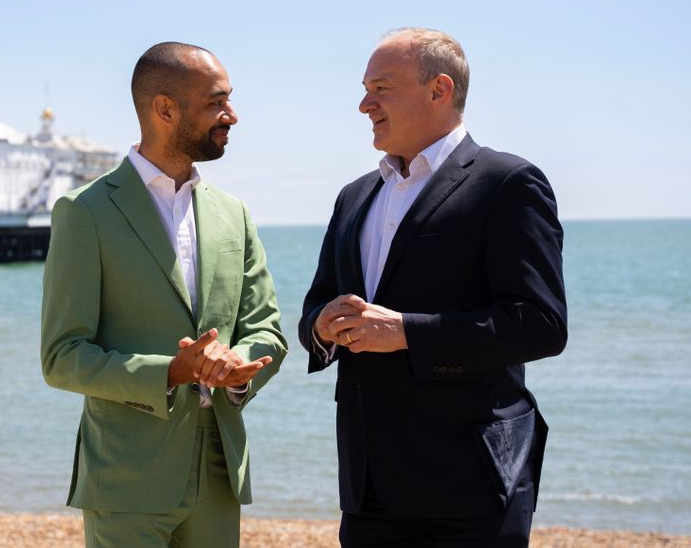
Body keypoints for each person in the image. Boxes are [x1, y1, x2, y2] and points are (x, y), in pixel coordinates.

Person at [298, 28, 567, 547]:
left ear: (439, 90)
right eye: (364, 88)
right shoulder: (354, 197)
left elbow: (540, 324)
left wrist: (406, 332)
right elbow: (317, 303)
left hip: (471, 484)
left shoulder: (508, 183)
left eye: (381, 88)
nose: (363, 104)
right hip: (367, 484)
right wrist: (323, 325)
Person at [41, 41, 287, 548]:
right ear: (165, 109)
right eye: (216, 102)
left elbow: (267, 329)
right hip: (126, 479)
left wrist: (237, 367)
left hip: (220, 474)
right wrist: (170, 372)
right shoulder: (84, 212)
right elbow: (62, 358)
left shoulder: (233, 213)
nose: (232, 116)